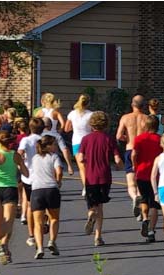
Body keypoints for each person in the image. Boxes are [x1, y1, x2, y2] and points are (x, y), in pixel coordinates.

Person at [74, 111, 121, 247]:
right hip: (105, 177)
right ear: (105, 124)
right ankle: (98, 236)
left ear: (91, 124)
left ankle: (90, 213)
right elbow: (117, 159)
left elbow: (81, 157)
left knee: (93, 204)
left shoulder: (86, 139)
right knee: (100, 206)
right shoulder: (108, 139)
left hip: (90, 177)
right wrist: (119, 165)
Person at [0, 131, 28, 265]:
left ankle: (3, 246)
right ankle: (4, 245)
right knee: (9, 220)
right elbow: (25, 172)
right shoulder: (15, 155)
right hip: (11, 188)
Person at [115, 95, 152, 220]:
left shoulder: (125, 118)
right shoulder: (147, 119)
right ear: (144, 106)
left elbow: (119, 135)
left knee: (131, 182)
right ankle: (142, 211)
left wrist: (128, 139)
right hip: (143, 151)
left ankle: (135, 197)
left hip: (130, 149)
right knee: (142, 181)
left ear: (132, 104)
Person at [28, 136, 63, 259]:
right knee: (54, 218)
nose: (55, 147)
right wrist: (58, 181)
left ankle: (40, 248)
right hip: (51, 189)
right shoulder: (54, 157)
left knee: (38, 222)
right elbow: (58, 171)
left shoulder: (35, 158)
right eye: (54, 144)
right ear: (48, 146)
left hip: (37, 190)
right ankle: (52, 241)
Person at [131, 116, 162, 242]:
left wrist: (134, 164)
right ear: (157, 126)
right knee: (155, 203)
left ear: (146, 126)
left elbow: (134, 154)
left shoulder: (139, 139)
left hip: (142, 172)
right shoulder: (160, 140)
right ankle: (151, 230)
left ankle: (144, 218)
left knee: (144, 198)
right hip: (157, 175)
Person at [16, 118, 44, 248]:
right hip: (43, 176)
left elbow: (19, 153)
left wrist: (21, 164)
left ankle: (31, 235)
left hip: (29, 176)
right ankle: (44, 224)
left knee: (29, 204)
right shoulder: (45, 140)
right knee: (43, 205)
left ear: (29, 128)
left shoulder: (26, 140)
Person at [34, 93, 74, 175]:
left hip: (43, 134)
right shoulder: (55, 112)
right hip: (54, 133)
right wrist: (59, 130)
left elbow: (34, 122)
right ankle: (69, 166)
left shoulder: (40, 112)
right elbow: (62, 123)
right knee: (64, 149)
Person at [64, 93, 94, 194]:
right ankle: (91, 184)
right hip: (89, 141)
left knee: (81, 166)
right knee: (90, 164)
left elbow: (66, 128)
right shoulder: (91, 114)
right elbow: (94, 128)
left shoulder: (72, 114)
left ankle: (85, 187)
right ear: (88, 103)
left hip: (76, 141)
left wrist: (75, 127)